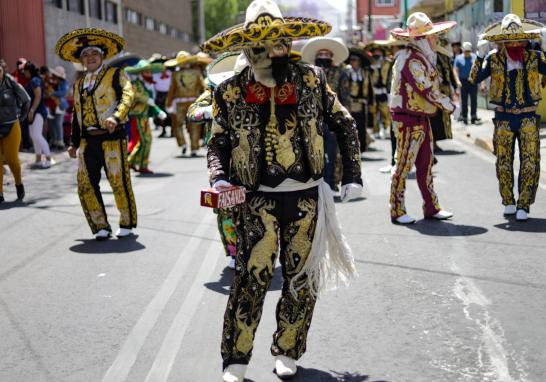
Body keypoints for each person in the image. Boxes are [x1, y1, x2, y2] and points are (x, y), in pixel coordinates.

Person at [201, 1, 363, 380]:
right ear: (246, 46)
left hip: (306, 195)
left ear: (286, 42)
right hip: (256, 198)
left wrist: (352, 174)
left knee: (301, 277)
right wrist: (218, 177)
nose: (269, 51)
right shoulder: (229, 91)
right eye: (259, 44)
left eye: (276, 42)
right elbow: (217, 142)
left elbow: (344, 123)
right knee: (251, 276)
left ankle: (288, 349)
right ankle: (236, 359)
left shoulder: (311, 79)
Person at [56, 27, 137, 240]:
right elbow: (76, 114)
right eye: (85, 55)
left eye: (94, 54)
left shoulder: (115, 75)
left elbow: (128, 96)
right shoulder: (80, 83)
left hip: (112, 137)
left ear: (101, 55)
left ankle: (126, 221)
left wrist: (116, 117)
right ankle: (100, 225)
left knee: (118, 181)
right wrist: (73, 143)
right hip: (87, 141)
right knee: (85, 184)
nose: (90, 58)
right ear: (81, 60)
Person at [469, 14, 546, 221]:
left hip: (528, 116)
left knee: (530, 162)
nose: (514, 44)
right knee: (503, 162)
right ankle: (508, 201)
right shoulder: (493, 59)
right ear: (501, 41)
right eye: (509, 40)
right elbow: (473, 79)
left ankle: (524, 204)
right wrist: (479, 54)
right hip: (503, 117)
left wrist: (545, 49)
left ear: (524, 39)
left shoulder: (534, 57)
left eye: (518, 39)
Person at [389, 12, 456, 224]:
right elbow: (426, 89)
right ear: (422, 39)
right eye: (433, 37)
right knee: (403, 165)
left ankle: (431, 207)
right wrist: (450, 106)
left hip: (420, 117)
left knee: (426, 165)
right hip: (407, 119)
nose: (436, 40)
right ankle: (397, 210)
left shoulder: (420, 58)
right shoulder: (411, 60)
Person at [188, 52, 245, 269]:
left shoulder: (251, 88)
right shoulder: (210, 92)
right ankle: (233, 251)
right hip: (220, 156)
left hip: (250, 156)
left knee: (254, 202)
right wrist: (215, 111)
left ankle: (255, 246)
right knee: (225, 205)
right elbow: (193, 113)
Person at [302, 37, 351, 192]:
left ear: (331, 57)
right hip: (312, 121)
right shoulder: (307, 74)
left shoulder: (341, 73)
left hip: (332, 121)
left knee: (332, 154)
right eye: (320, 54)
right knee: (314, 154)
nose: (323, 57)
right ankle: (315, 185)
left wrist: (344, 119)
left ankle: (329, 184)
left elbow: (345, 97)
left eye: (327, 54)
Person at [125, 59, 166, 174]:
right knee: (146, 140)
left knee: (144, 140)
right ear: (141, 73)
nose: (149, 74)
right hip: (138, 115)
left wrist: (157, 111)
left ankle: (131, 162)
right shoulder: (136, 84)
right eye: (146, 72)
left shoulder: (148, 84)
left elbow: (151, 102)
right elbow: (135, 95)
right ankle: (141, 165)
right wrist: (147, 99)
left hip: (145, 115)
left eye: (149, 72)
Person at [165, 51, 207, 156]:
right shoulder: (197, 73)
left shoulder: (175, 74)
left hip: (180, 103)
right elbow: (204, 87)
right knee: (195, 125)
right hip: (194, 102)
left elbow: (171, 90)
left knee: (178, 125)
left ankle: (183, 144)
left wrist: (168, 103)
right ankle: (194, 148)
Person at [0, 60, 31, 203]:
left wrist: (22, 117)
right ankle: (0, 194)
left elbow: (26, 100)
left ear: (3, 71)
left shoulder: (10, 83)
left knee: (12, 160)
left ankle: (19, 183)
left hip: (11, 125)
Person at [431, 39, 460, 152]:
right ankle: (432, 142)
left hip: (445, 91)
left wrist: (455, 86)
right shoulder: (431, 56)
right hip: (435, 92)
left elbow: (450, 73)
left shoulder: (445, 57)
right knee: (433, 117)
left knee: (441, 118)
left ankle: (435, 141)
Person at [23, 61, 54, 169]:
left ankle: (49, 159)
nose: (23, 73)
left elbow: (38, 96)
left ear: (28, 71)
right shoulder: (33, 80)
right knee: (34, 136)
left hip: (38, 111)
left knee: (36, 135)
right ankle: (38, 159)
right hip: (33, 112)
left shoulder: (35, 80)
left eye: (24, 71)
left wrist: (31, 110)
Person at [346, 47, 374, 156]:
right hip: (349, 104)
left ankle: (361, 149)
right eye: (351, 59)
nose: (353, 62)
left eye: (355, 60)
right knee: (350, 126)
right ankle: (350, 148)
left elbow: (370, 90)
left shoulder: (365, 73)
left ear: (359, 61)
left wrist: (371, 104)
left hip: (362, 104)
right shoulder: (347, 72)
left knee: (361, 126)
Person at [367, 43, 393, 139]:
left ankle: (387, 129)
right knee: (373, 111)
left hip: (384, 90)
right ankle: (375, 131)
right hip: (373, 90)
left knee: (385, 110)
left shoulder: (387, 63)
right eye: (374, 52)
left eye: (378, 51)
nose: (376, 53)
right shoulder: (370, 63)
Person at [454, 42, 481, 125]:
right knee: (464, 100)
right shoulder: (458, 58)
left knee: (474, 100)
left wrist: (481, 81)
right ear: (463, 50)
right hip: (463, 81)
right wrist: (457, 80)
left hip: (473, 81)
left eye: (468, 51)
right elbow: (455, 70)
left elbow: (479, 69)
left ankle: (473, 116)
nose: (467, 53)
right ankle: (464, 116)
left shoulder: (475, 57)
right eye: (465, 51)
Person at [49, 66, 69, 150]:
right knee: (52, 124)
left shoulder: (64, 82)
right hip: (51, 105)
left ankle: (60, 142)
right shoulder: (51, 81)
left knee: (58, 124)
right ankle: (54, 141)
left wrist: (53, 93)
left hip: (60, 105)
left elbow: (63, 93)